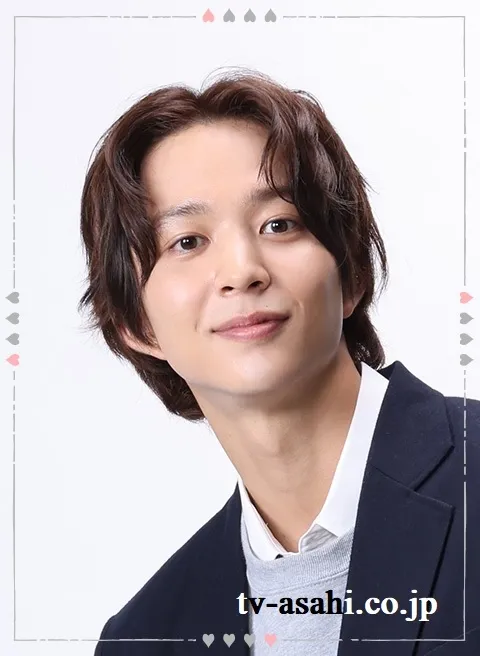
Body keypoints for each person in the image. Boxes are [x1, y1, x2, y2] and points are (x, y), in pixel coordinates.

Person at [78, 69, 480, 655]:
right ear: (137, 325)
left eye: (279, 224)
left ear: (351, 274)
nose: (242, 271)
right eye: (187, 241)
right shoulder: (145, 638)